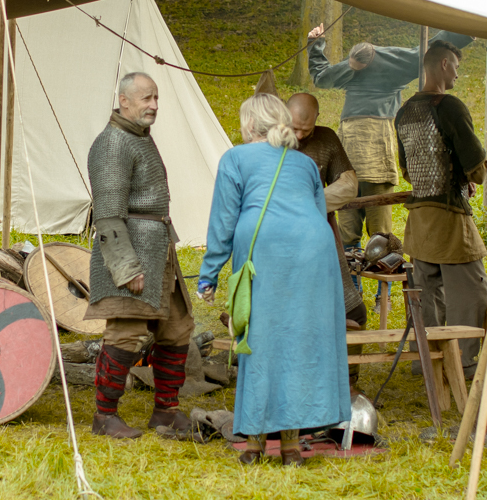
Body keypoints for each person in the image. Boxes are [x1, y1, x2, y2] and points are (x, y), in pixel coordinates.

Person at [199, 94, 351, 466]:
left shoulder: (235, 158)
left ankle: (253, 446)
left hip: (264, 249)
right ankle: (291, 449)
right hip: (314, 250)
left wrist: (209, 275)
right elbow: (318, 210)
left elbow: (223, 221)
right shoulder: (304, 162)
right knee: (301, 344)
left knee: (259, 341)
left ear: (250, 124)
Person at [86, 72, 195, 440]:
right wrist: (125, 266)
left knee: (177, 327)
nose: (154, 105)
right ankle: (104, 416)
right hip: (131, 251)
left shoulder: (138, 137)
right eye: (146, 98)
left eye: (156, 98)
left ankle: (166, 411)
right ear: (124, 101)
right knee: (125, 332)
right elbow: (107, 214)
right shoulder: (113, 143)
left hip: (158, 250)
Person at [393, 38, 487, 379]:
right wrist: (468, 177)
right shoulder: (450, 107)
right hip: (449, 219)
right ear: (444, 64)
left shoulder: (404, 112)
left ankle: (427, 360)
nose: (458, 75)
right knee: (470, 293)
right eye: (456, 67)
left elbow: (408, 169)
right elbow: (477, 167)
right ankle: (464, 363)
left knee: (427, 295)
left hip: (419, 221)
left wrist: (452, 174)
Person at [305, 24, 419, 246]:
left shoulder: (395, 67)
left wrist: (463, 34)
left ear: (368, 63)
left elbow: (426, 52)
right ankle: (351, 269)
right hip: (349, 164)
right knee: (348, 236)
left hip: (379, 160)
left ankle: (380, 269)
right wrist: (315, 44)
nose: (353, 69)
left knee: (381, 236)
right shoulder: (351, 68)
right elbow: (322, 77)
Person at [285, 92, 368, 329]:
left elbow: (348, 184)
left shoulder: (326, 139)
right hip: (280, 235)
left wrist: (310, 203)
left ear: (317, 118)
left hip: (318, 231)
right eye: (294, 128)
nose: (299, 136)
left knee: (354, 313)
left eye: (305, 129)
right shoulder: (268, 141)